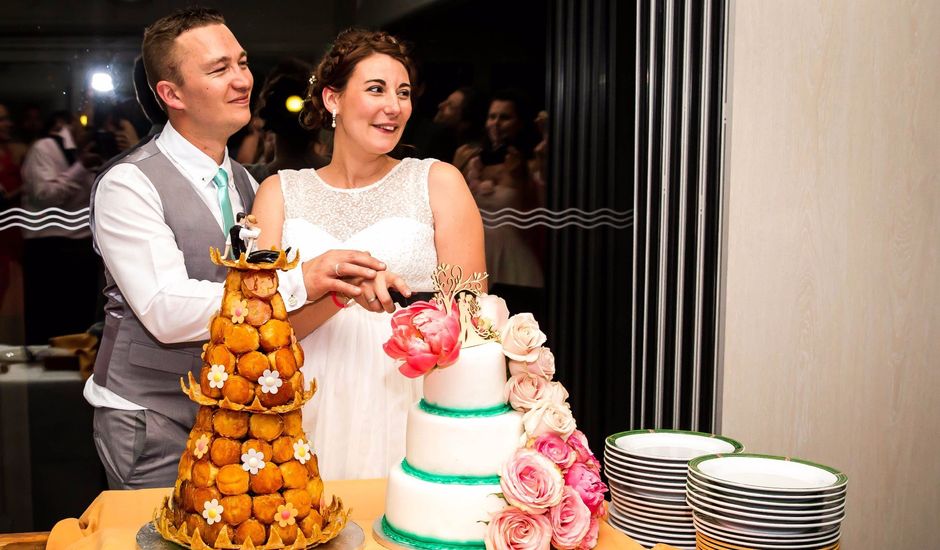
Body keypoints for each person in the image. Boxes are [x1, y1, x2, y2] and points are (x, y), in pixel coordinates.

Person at [85, 8, 386, 489]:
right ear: (172, 94)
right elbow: (164, 309)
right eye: (218, 69)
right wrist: (297, 281)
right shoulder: (129, 184)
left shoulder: (248, 185)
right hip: (151, 417)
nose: (242, 79)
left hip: (232, 420)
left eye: (242, 63)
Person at [251, 29, 485, 479]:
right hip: (305, 396)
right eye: (376, 89)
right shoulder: (280, 193)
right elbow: (262, 329)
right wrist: (337, 295)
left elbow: (472, 323)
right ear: (332, 99)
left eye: (403, 93)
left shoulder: (438, 183)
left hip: (408, 395)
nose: (393, 107)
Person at [457, 90, 544, 316]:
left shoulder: (530, 163)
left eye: (505, 117)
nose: (496, 123)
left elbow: (539, 210)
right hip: (475, 252)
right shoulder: (468, 158)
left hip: (513, 257)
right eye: (492, 116)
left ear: (519, 123)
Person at [20, 110, 102, 344]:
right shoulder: (45, 148)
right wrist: (80, 167)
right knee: (47, 322)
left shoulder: (93, 152)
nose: (88, 129)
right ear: (68, 123)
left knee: (78, 324)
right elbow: (44, 195)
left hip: (83, 249)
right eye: (83, 122)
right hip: (50, 248)